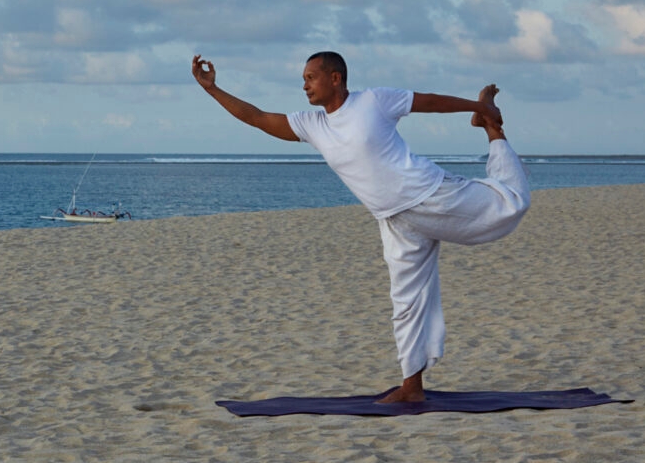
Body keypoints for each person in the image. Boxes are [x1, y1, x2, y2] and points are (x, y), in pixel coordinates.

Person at [192, 51, 530, 403]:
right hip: (394, 220)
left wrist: (481, 109)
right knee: (407, 302)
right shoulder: (313, 125)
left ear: (335, 78)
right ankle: (412, 388)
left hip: (428, 194)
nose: (304, 84)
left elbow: (428, 102)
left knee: (511, 206)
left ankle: (492, 131)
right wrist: (212, 89)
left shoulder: (374, 101)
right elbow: (257, 117)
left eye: (311, 77)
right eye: (304, 78)